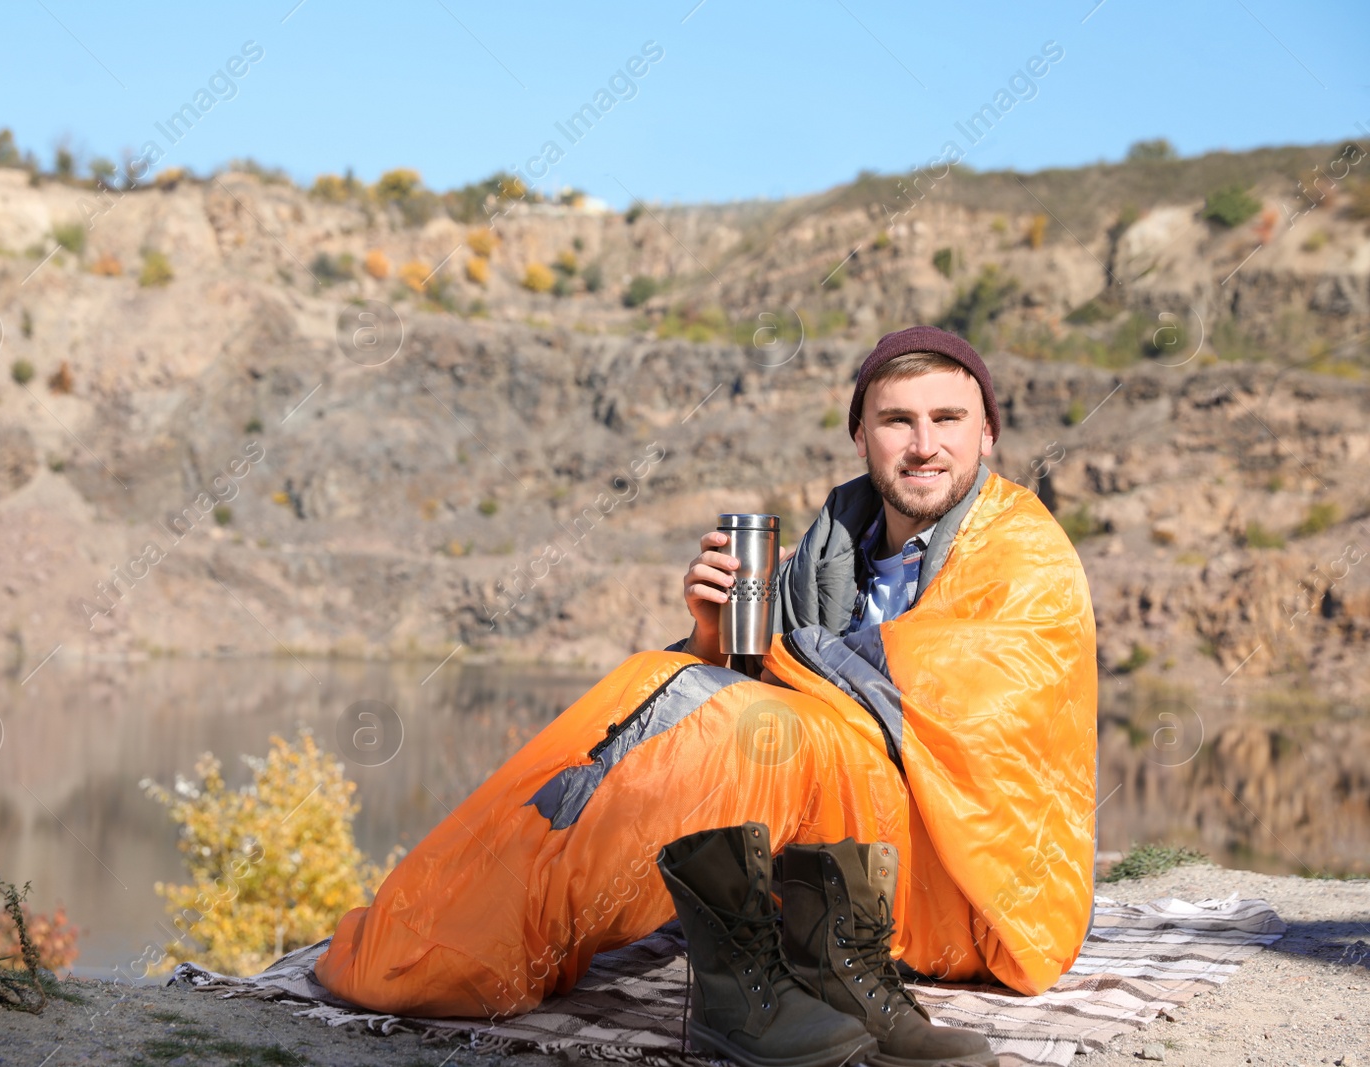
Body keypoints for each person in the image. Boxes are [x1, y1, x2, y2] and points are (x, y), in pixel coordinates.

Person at [315, 327, 1096, 1066]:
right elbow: (742, 690)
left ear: (987, 433)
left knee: (758, 727)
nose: (924, 444)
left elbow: (945, 711)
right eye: (897, 420)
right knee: (652, 683)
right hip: (834, 865)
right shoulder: (829, 553)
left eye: (947, 418)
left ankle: (720, 990)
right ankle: (446, 931)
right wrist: (709, 638)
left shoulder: (1024, 551)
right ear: (861, 437)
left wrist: (754, 669)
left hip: (970, 891)